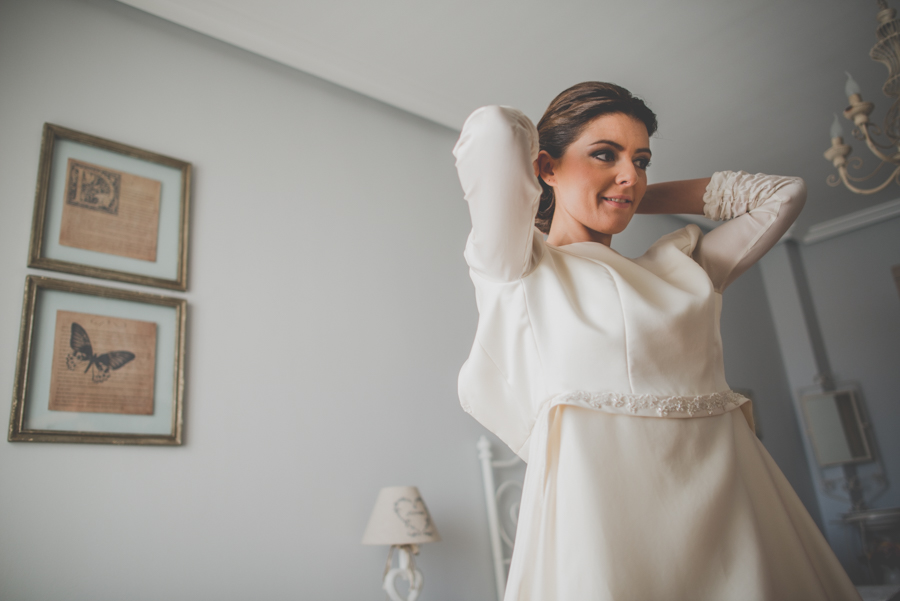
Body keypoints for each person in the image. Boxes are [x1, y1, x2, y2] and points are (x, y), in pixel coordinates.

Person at [452, 82, 860, 600]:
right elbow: (493, 129)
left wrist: (626, 195)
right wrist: (593, 187)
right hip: (606, 534)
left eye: (640, 161)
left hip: (734, 519)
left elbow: (785, 194)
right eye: (604, 154)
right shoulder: (517, 269)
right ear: (545, 167)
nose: (630, 173)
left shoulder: (684, 270)